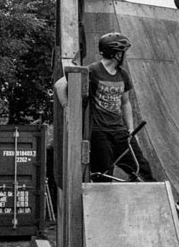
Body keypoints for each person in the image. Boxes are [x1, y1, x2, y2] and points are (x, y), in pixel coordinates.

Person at [53, 32, 153, 181]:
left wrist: (131, 130)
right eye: (123, 52)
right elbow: (59, 85)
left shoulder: (122, 75)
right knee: (104, 175)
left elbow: (125, 102)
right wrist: (68, 108)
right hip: (99, 133)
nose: (125, 56)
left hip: (120, 132)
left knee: (142, 169)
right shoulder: (93, 70)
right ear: (117, 54)